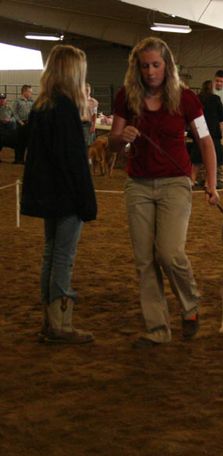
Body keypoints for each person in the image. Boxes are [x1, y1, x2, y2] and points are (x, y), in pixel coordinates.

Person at [109, 37, 220, 348]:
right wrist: (122, 136)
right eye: (145, 66)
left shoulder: (186, 99)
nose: (151, 71)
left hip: (175, 183)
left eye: (156, 65)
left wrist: (212, 183)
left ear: (167, 66)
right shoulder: (125, 98)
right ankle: (157, 329)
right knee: (145, 260)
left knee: (168, 253)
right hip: (138, 184)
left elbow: (206, 142)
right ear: (137, 68)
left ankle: (191, 304)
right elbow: (114, 142)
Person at [20, 45, 97, 344]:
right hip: (65, 196)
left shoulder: (42, 106)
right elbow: (73, 161)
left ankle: (49, 321)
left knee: (51, 254)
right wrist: (85, 200)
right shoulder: (64, 108)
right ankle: (60, 324)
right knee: (63, 257)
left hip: (48, 194)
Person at [192, 79, 223, 185]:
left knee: (196, 158)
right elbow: (222, 116)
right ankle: (208, 182)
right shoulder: (216, 99)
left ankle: (191, 180)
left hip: (200, 129)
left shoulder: (197, 98)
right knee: (212, 157)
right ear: (212, 88)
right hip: (213, 132)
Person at [13, 84, 34, 164]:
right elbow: (14, 112)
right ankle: (18, 159)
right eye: (29, 92)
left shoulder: (32, 101)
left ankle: (25, 159)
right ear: (24, 92)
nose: (31, 94)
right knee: (19, 142)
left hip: (29, 124)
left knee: (27, 142)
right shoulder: (17, 101)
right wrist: (20, 122)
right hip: (20, 124)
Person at [81, 82, 99, 148]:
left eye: (87, 90)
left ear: (90, 91)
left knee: (89, 145)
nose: (86, 92)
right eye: (84, 90)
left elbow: (94, 114)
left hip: (88, 125)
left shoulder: (94, 102)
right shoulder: (79, 101)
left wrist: (93, 126)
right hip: (79, 124)